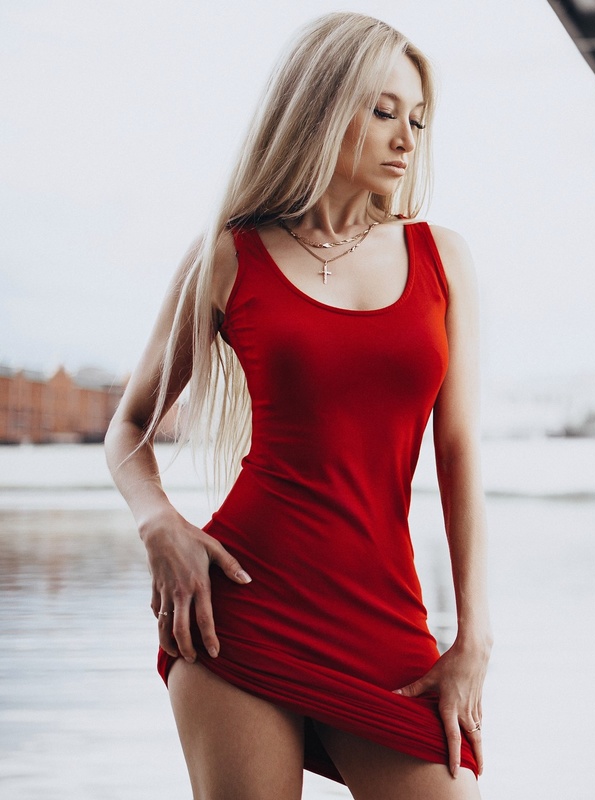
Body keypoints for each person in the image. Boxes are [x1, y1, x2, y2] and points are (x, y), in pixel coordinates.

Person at [103, 12, 490, 799]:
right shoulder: (227, 256)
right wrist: (160, 523)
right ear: (320, 106)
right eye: (384, 111)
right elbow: (130, 425)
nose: (407, 138)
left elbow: (458, 453)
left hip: (385, 615)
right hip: (240, 608)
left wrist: (473, 635)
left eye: (418, 118)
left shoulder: (440, 259)